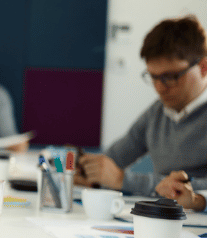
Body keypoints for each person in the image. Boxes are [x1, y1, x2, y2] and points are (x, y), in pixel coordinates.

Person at [78, 15, 207, 210]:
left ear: (203, 68)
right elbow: (114, 157)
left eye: (170, 77)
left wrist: (123, 180)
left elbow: (193, 189)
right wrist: (88, 171)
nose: (160, 88)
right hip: (166, 218)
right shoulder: (158, 112)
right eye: (153, 77)